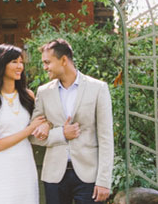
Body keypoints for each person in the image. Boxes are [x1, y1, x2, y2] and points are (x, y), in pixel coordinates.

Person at [30, 38, 114, 203]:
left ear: (63, 60)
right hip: (54, 176)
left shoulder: (98, 88)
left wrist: (104, 180)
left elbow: (106, 137)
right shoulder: (43, 92)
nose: (44, 67)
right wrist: (61, 134)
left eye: (47, 62)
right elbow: (33, 135)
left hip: (88, 176)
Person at [0, 44, 47, 204]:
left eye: (21, 62)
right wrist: (29, 129)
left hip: (25, 165)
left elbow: (44, 120)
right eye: (14, 62)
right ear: (1, 65)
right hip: (1, 168)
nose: (20, 66)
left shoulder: (28, 96)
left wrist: (45, 125)